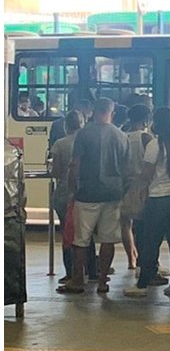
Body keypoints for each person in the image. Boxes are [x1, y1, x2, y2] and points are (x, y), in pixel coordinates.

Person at [58, 98, 128, 295]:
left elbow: (75, 164)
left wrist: (72, 191)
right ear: (111, 113)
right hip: (113, 194)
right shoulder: (121, 136)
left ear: (94, 112)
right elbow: (125, 167)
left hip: (87, 194)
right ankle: (103, 281)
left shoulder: (84, 133)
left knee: (81, 240)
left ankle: (78, 280)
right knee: (108, 239)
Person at [125, 107, 170, 298]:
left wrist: (134, 190)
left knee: (150, 241)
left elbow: (146, 175)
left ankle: (142, 284)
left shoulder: (155, 145)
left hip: (160, 197)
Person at [49, 109, 96, 284]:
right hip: (86, 191)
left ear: (65, 125)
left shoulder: (60, 144)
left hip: (64, 194)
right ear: (83, 123)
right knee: (87, 232)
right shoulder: (89, 141)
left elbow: (57, 171)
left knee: (68, 233)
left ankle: (70, 272)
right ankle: (91, 271)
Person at [119, 102, 153, 271]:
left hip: (125, 184)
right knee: (144, 225)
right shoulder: (146, 138)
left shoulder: (122, 136)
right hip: (143, 185)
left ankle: (131, 259)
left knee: (126, 224)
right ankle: (146, 260)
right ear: (147, 119)